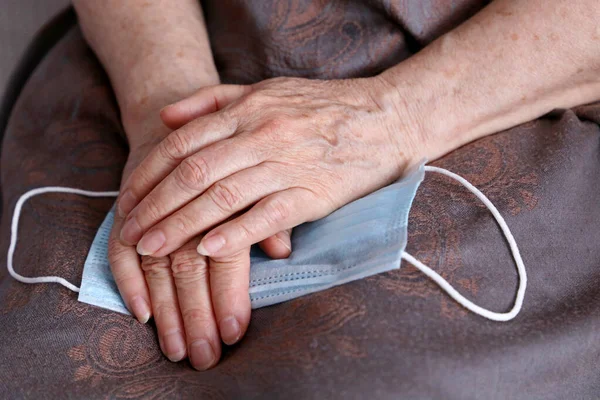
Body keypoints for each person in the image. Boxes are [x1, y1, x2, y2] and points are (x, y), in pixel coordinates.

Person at [72, 0, 600, 370]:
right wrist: (173, 119)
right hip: (160, 53)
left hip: (500, 81)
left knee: (386, 371)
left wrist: (394, 114)